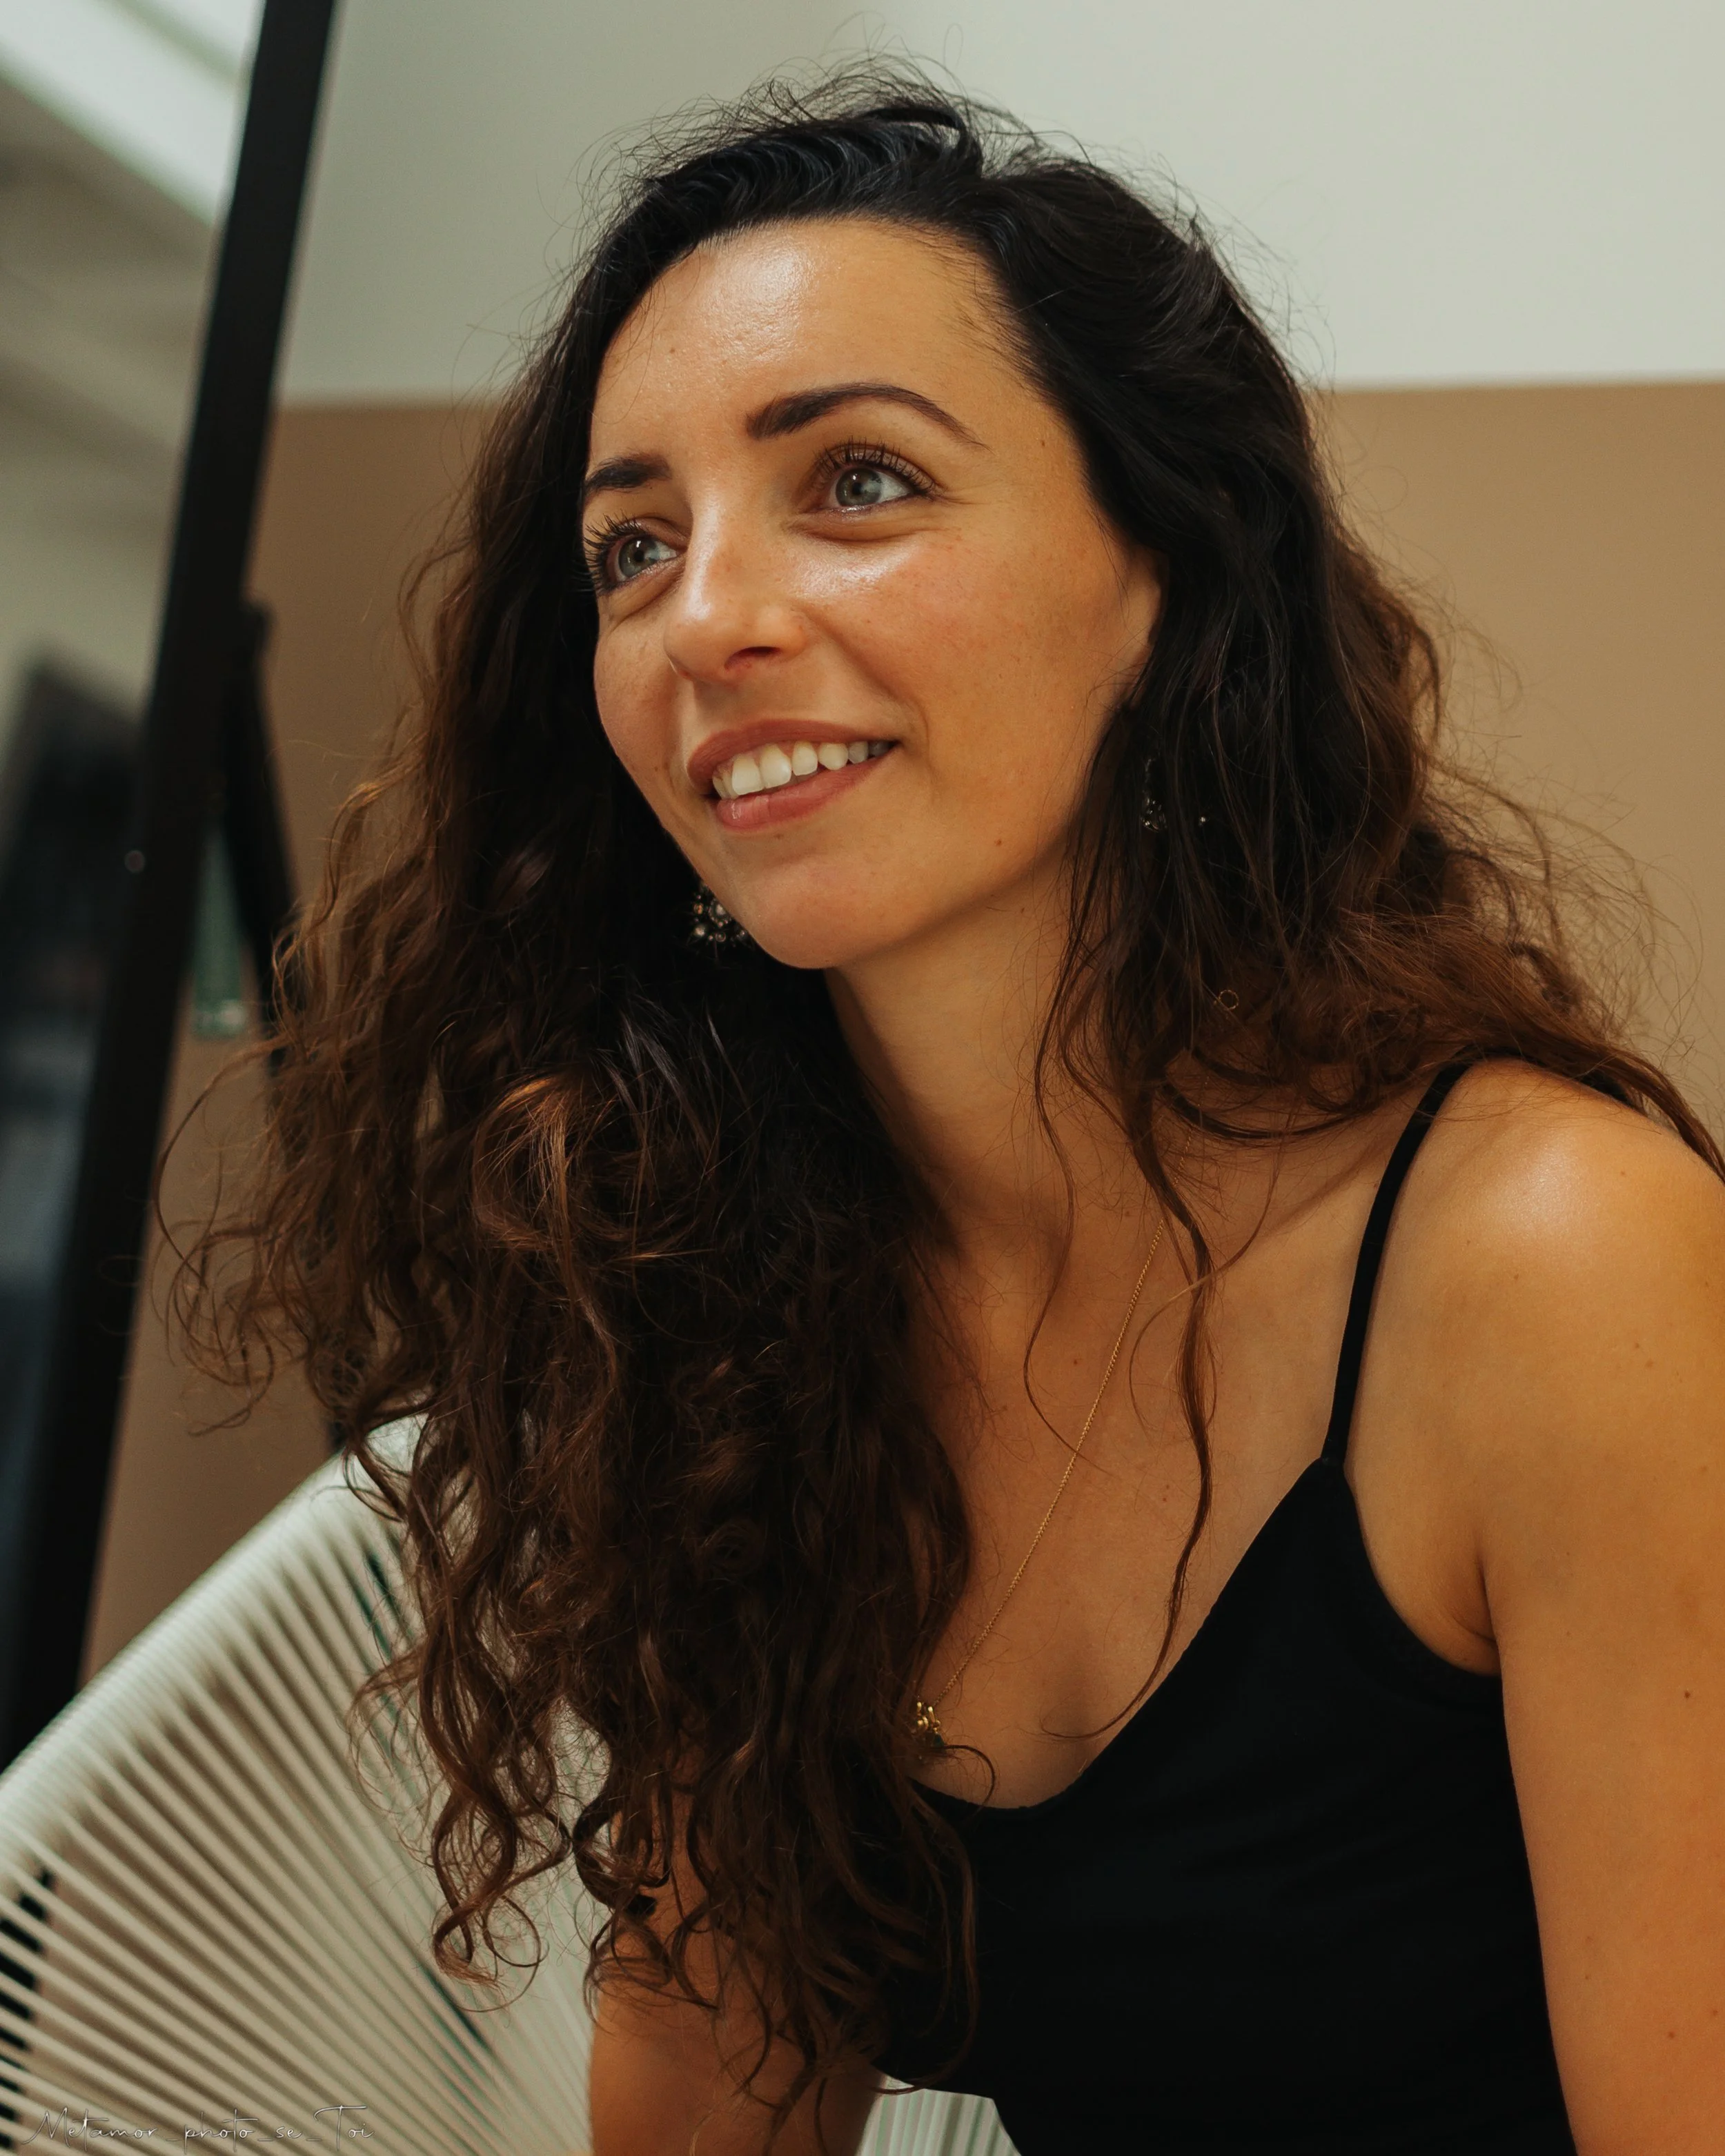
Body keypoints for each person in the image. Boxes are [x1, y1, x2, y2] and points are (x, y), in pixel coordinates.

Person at [190, 72, 1725, 2155]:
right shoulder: (718, 1282)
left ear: (1159, 579)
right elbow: (714, 2101)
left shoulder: (1556, 1261)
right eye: (631, 548)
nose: (706, 617)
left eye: (857, 483)